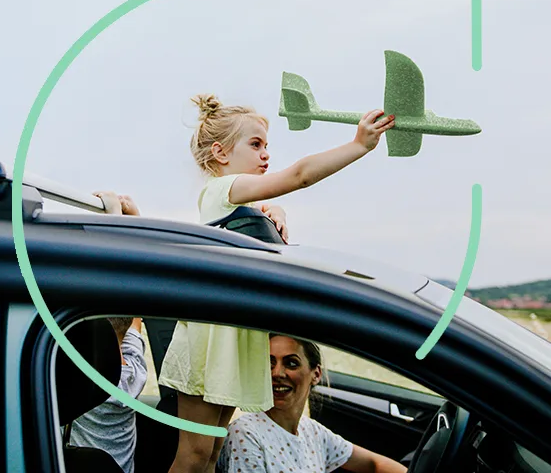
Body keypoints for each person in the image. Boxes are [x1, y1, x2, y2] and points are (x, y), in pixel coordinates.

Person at [158, 93, 396, 473]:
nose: (265, 154)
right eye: (255, 145)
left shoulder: (240, 203)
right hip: (213, 341)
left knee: (213, 454)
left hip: (233, 339)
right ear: (220, 153)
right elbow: (299, 176)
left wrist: (275, 210)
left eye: (267, 145)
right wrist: (358, 146)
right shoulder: (220, 189)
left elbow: (261, 208)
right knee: (194, 454)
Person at [216, 335, 407, 473]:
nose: (277, 373)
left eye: (291, 363)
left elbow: (375, 464)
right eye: (269, 363)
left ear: (315, 374)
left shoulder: (313, 432)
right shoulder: (246, 433)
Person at [65, 191, 146, 473]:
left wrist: (113, 215)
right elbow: (136, 302)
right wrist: (133, 220)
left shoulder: (82, 378)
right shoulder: (136, 370)